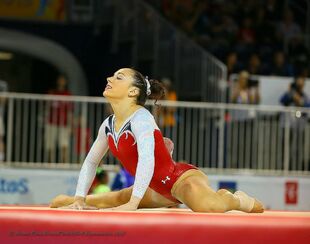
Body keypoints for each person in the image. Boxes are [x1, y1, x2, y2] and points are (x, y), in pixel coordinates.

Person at [50, 68, 264, 213]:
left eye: (118, 77)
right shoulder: (108, 124)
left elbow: (146, 159)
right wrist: (79, 198)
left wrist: (133, 203)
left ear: (133, 91)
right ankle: (70, 199)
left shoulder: (141, 117)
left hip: (180, 180)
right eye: (112, 76)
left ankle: (233, 198)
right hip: (156, 190)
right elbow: (91, 162)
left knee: (209, 207)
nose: (109, 79)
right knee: (110, 200)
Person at [45, 74, 72, 163]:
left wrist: (70, 125)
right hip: (51, 122)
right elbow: (46, 106)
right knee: (50, 145)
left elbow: (70, 111)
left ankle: (64, 164)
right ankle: (50, 163)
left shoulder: (68, 94)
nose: (61, 81)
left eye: (63, 80)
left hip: (63, 123)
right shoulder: (52, 92)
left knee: (64, 144)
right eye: (60, 80)